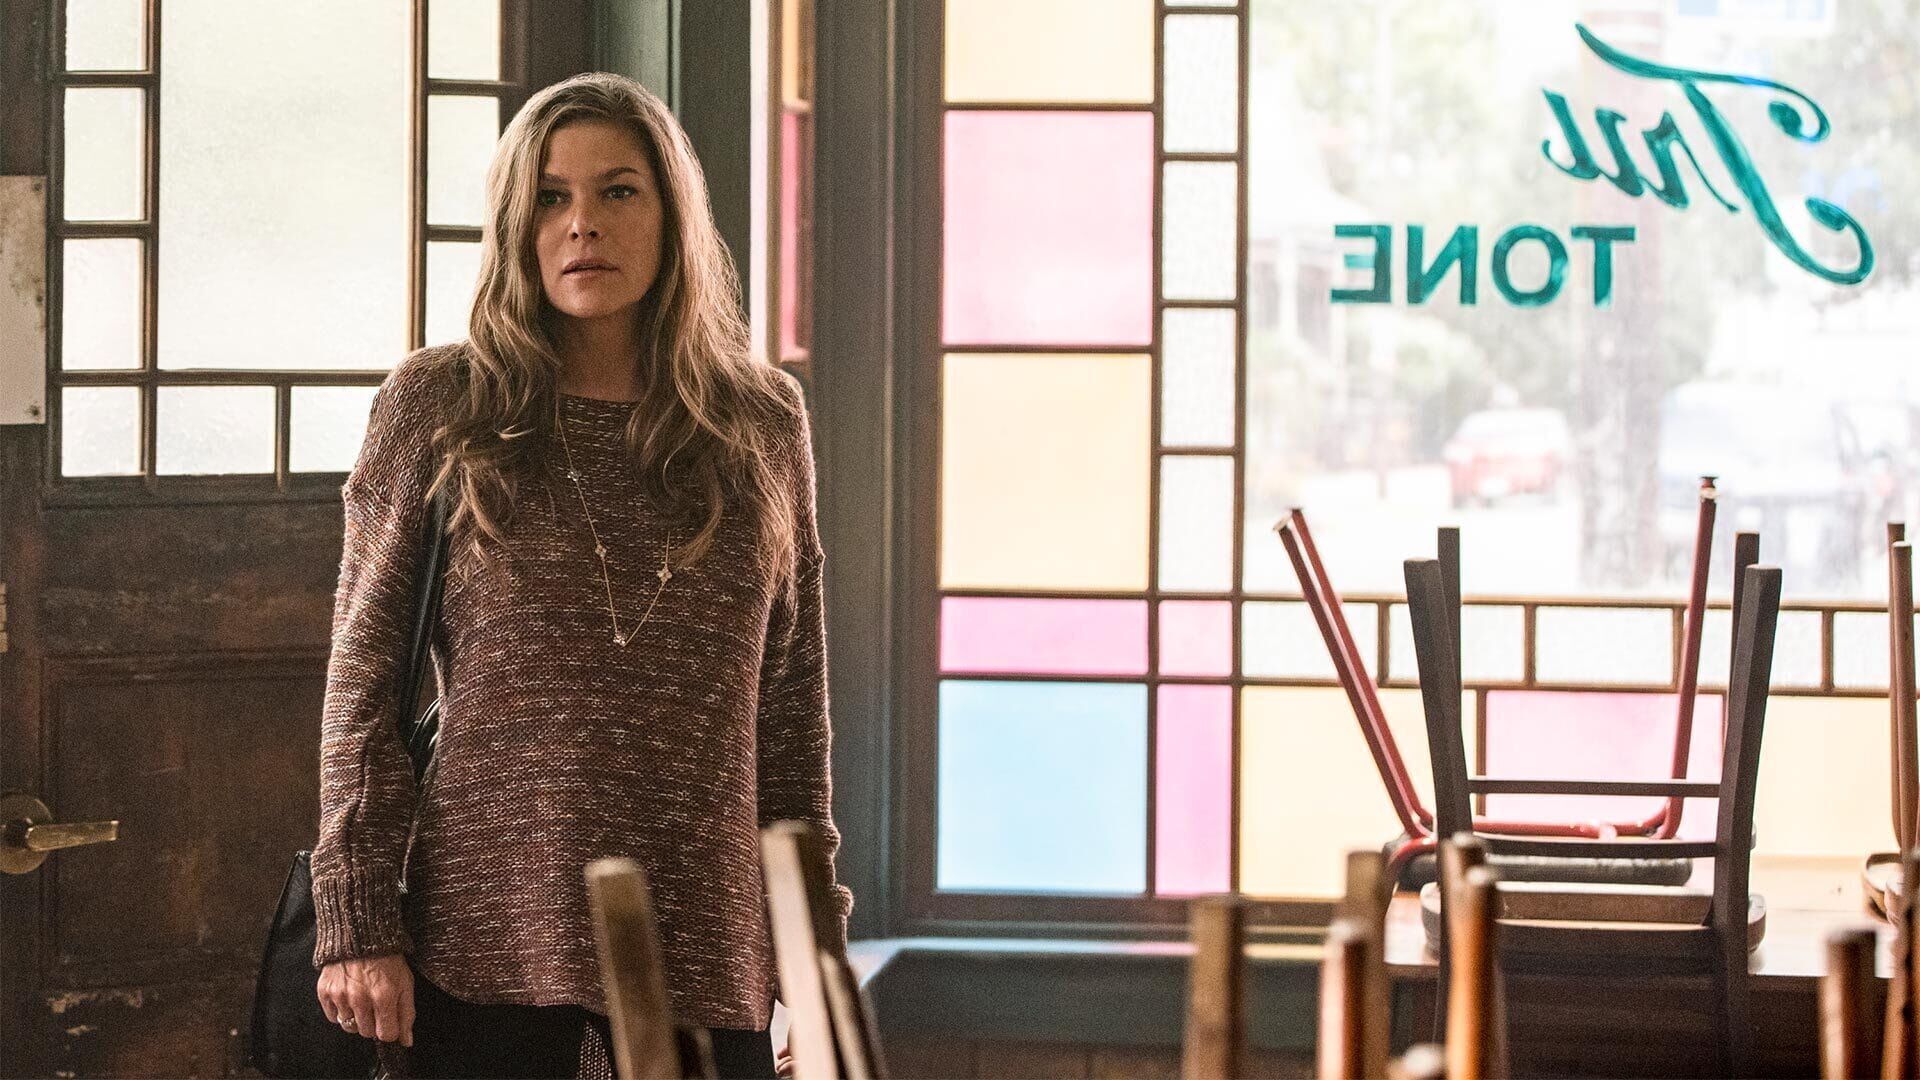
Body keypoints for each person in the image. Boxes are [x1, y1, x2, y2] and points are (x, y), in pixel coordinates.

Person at [309, 71, 849, 1079]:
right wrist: (357, 920)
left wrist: (813, 963)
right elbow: (362, 687)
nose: (581, 223)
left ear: (672, 216)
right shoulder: (442, 406)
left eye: (618, 191)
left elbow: (788, 717)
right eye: (550, 196)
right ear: (516, 225)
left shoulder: (762, 423)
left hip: (707, 953)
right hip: (483, 951)